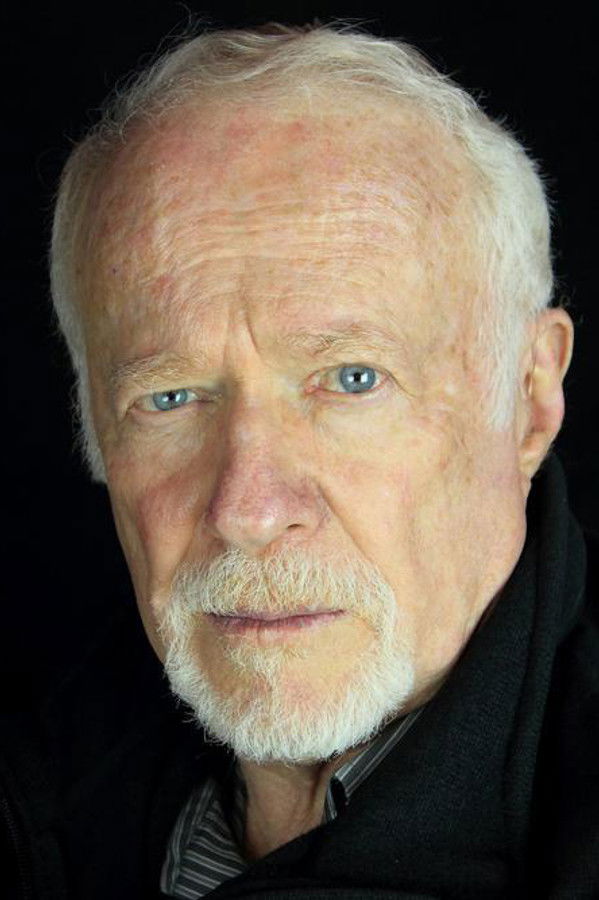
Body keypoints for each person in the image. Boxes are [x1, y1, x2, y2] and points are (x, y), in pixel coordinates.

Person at [1, 21, 598, 900]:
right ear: (92, 425)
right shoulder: (37, 768)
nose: (248, 509)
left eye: (351, 379)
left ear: (529, 397)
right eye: (171, 396)